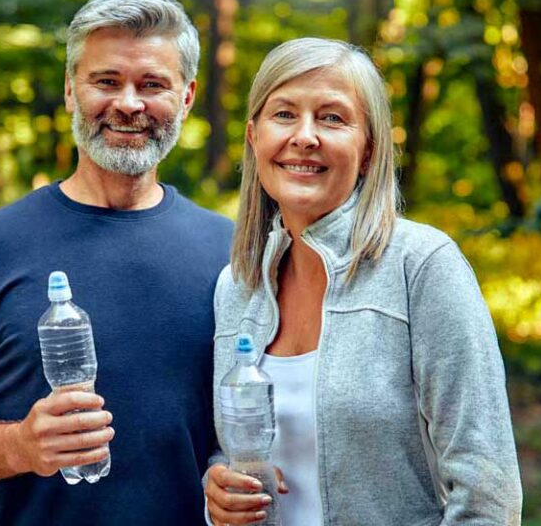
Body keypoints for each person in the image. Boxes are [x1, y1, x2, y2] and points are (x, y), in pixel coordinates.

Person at [0, 0, 233, 526]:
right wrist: (19, 446)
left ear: (187, 97)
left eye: (152, 84)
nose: (129, 104)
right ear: (69, 90)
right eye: (106, 81)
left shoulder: (232, 252)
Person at [204, 38, 522, 525]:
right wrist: (220, 487)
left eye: (332, 118)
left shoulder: (422, 266)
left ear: (369, 149)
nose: (304, 136)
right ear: (253, 136)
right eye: (284, 114)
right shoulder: (237, 286)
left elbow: (488, 492)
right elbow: (234, 450)